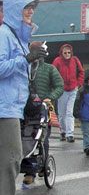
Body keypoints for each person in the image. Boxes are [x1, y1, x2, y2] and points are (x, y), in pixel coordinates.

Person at [0, 0, 47, 195]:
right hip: (4, 107)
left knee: (8, 160)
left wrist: (34, 61)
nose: (30, 12)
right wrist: (26, 59)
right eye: (26, 7)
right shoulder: (4, 35)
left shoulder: (16, 37)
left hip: (12, 107)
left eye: (33, 8)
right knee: (11, 160)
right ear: (13, 10)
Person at [22, 47, 63, 184]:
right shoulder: (24, 66)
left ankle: (38, 168)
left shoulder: (49, 69)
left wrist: (50, 98)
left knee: (42, 138)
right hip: (24, 107)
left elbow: (59, 86)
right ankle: (28, 168)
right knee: (24, 137)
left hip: (43, 109)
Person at [52, 43, 84, 142]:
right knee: (61, 114)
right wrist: (57, 86)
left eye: (69, 52)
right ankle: (62, 131)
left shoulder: (75, 60)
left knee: (69, 112)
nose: (67, 54)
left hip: (73, 89)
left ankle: (70, 134)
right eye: (65, 52)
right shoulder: (57, 61)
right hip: (62, 91)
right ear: (61, 53)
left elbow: (81, 72)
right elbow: (52, 74)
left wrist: (78, 84)